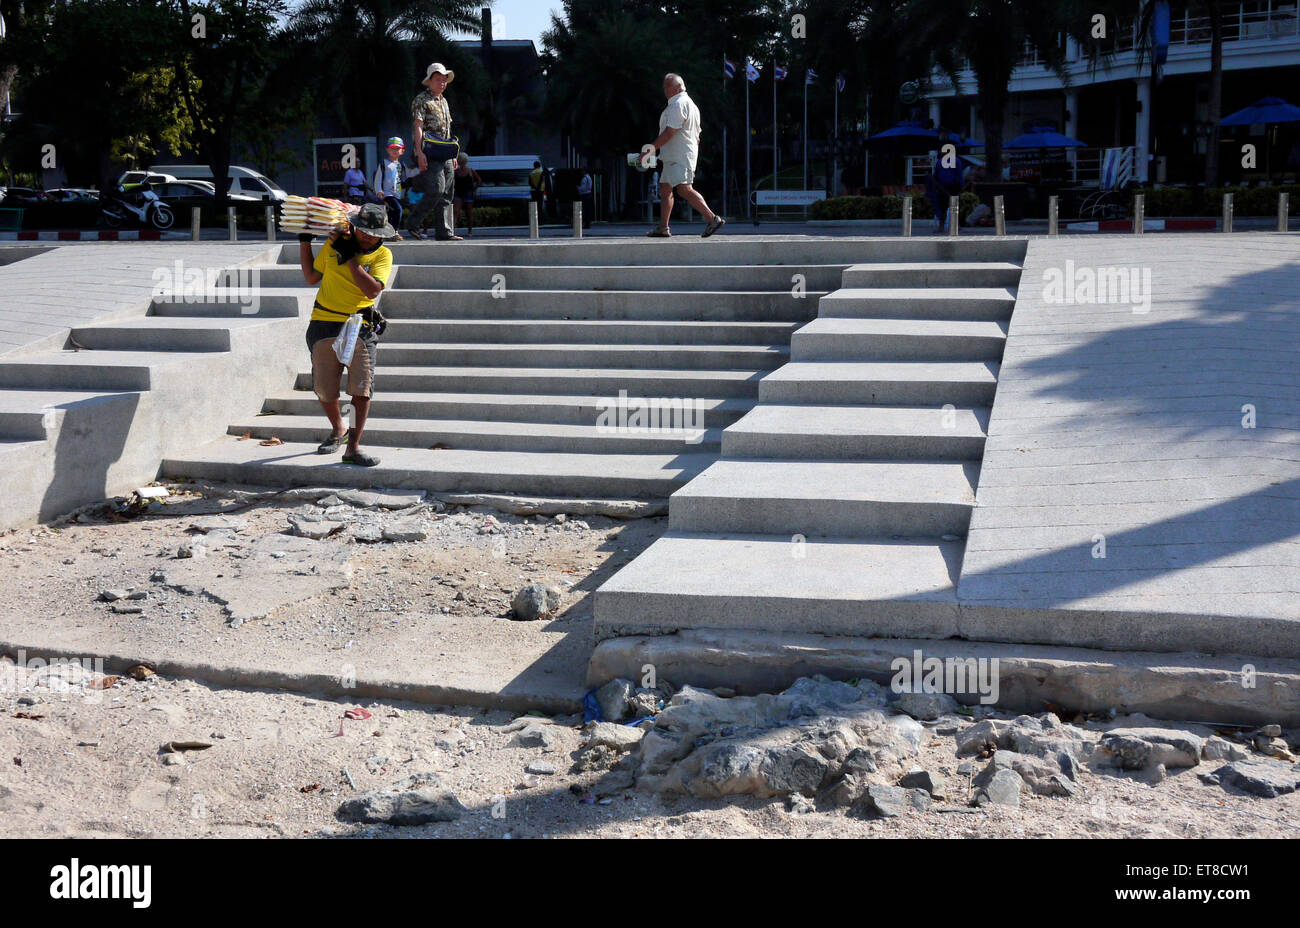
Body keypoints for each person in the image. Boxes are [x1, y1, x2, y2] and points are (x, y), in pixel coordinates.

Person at [296, 203, 396, 467]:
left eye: (374, 233)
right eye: (363, 230)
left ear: (382, 234)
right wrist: (305, 242)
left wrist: (351, 260)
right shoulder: (335, 244)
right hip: (323, 322)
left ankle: (352, 447)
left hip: (359, 326)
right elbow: (310, 277)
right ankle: (338, 427)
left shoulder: (383, 255)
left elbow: (372, 291)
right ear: (354, 226)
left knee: (361, 390)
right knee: (325, 389)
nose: (368, 236)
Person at [642, 73, 725, 238]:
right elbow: (697, 136)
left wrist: (650, 149)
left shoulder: (679, 104)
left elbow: (669, 132)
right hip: (676, 155)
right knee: (665, 188)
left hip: (679, 155)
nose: (664, 90)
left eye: (667, 86)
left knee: (684, 189)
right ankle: (663, 227)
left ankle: (712, 218)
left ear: (677, 87)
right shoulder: (690, 105)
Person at [406, 62, 462, 241]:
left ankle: (444, 232)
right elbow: (418, 127)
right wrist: (420, 153)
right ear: (429, 81)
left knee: (447, 193)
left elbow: (447, 129)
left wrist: (453, 155)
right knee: (437, 188)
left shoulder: (444, 101)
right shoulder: (421, 100)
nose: (442, 83)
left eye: (444, 80)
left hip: (445, 151)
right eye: (438, 80)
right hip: (429, 151)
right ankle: (413, 223)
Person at [926, 128, 967, 233]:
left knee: (951, 207)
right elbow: (937, 174)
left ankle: (952, 226)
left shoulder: (952, 161)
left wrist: (961, 185)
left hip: (952, 186)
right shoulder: (942, 162)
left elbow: (958, 174)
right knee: (945, 207)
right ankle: (942, 226)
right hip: (943, 187)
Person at [373, 137, 408, 237]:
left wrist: (404, 192)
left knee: (391, 214)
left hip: (397, 194)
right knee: (398, 210)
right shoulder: (384, 163)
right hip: (387, 194)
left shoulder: (401, 165)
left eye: (397, 149)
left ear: (402, 151)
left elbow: (400, 180)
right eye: (392, 148)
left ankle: (387, 232)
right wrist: (378, 190)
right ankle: (394, 232)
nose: (395, 151)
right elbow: (378, 178)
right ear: (387, 150)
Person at [452, 153, 482, 237]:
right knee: (455, 211)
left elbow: (479, 180)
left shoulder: (470, 171)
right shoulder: (456, 171)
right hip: (458, 192)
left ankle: (470, 231)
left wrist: (474, 190)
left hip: (468, 193)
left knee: (469, 213)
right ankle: (452, 230)